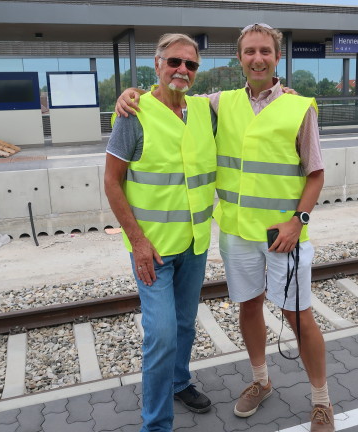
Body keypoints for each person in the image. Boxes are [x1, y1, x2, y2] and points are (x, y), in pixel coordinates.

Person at [116, 23, 333, 431]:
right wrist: (131, 95)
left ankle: (321, 401)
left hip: (284, 237)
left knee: (299, 317)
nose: (257, 58)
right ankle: (260, 381)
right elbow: (172, 95)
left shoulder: (299, 106)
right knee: (248, 307)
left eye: (265, 51)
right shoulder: (219, 103)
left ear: (277, 57)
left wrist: (297, 220)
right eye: (249, 51)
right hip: (235, 234)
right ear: (239, 59)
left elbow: (316, 173)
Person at [104, 33, 216, 432]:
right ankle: (156, 426)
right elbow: (112, 183)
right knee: (162, 335)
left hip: (195, 243)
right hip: (152, 251)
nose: (182, 70)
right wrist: (137, 242)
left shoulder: (205, 111)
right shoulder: (132, 115)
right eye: (174, 62)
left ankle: (179, 381)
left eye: (190, 64)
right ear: (157, 64)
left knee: (185, 324)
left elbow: (249, 102)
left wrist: (280, 90)